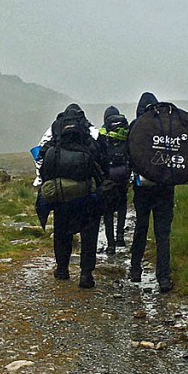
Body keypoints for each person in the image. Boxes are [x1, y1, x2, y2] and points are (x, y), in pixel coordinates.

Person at [34, 103, 106, 288]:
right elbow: (100, 161)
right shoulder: (89, 136)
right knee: (89, 234)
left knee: (61, 232)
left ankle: (62, 270)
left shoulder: (55, 140)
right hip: (86, 196)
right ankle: (86, 274)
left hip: (62, 197)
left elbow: (43, 165)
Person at [128, 92, 176, 293]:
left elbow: (128, 153)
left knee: (140, 227)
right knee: (162, 233)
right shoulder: (168, 126)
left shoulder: (136, 126)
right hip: (166, 188)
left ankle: (135, 269)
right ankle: (163, 278)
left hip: (143, 188)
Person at [99, 105, 131, 255]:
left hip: (108, 175)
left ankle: (111, 245)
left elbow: (97, 155)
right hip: (123, 175)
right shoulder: (126, 131)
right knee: (122, 205)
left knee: (108, 211)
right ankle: (120, 237)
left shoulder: (103, 132)